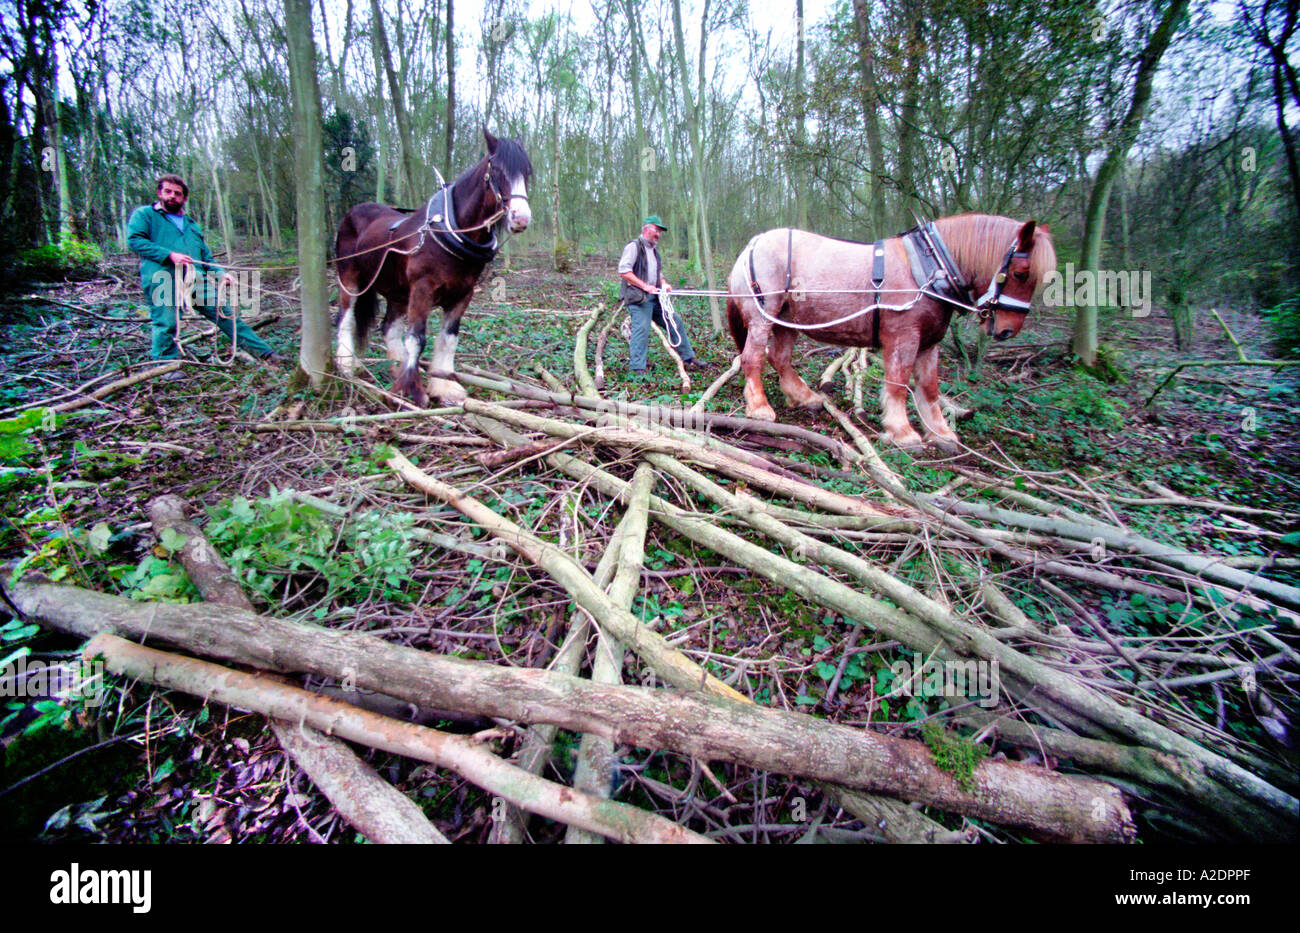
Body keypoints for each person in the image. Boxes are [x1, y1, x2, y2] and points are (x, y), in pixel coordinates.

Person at [127, 174, 284, 372]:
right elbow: (135, 241)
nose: (172, 196)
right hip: (163, 278)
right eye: (168, 192)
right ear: (160, 193)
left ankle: (266, 354)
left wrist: (221, 274)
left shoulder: (191, 224)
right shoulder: (145, 215)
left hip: (197, 280)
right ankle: (165, 369)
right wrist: (169, 255)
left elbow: (206, 257)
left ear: (184, 198)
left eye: (178, 193)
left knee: (227, 316)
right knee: (166, 323)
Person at [617, 215, 704, 374]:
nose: (658, 234)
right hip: (638, 298)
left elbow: (658, 274)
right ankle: (637, 368)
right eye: (656, 230)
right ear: (646, 229)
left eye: (659, 231)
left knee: (674, 320)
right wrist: (645, 286)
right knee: (641, 329)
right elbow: (624, 271)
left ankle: (689, 358)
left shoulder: (654, 251)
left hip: (654, 298)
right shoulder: (634, 247)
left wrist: (663, 283)